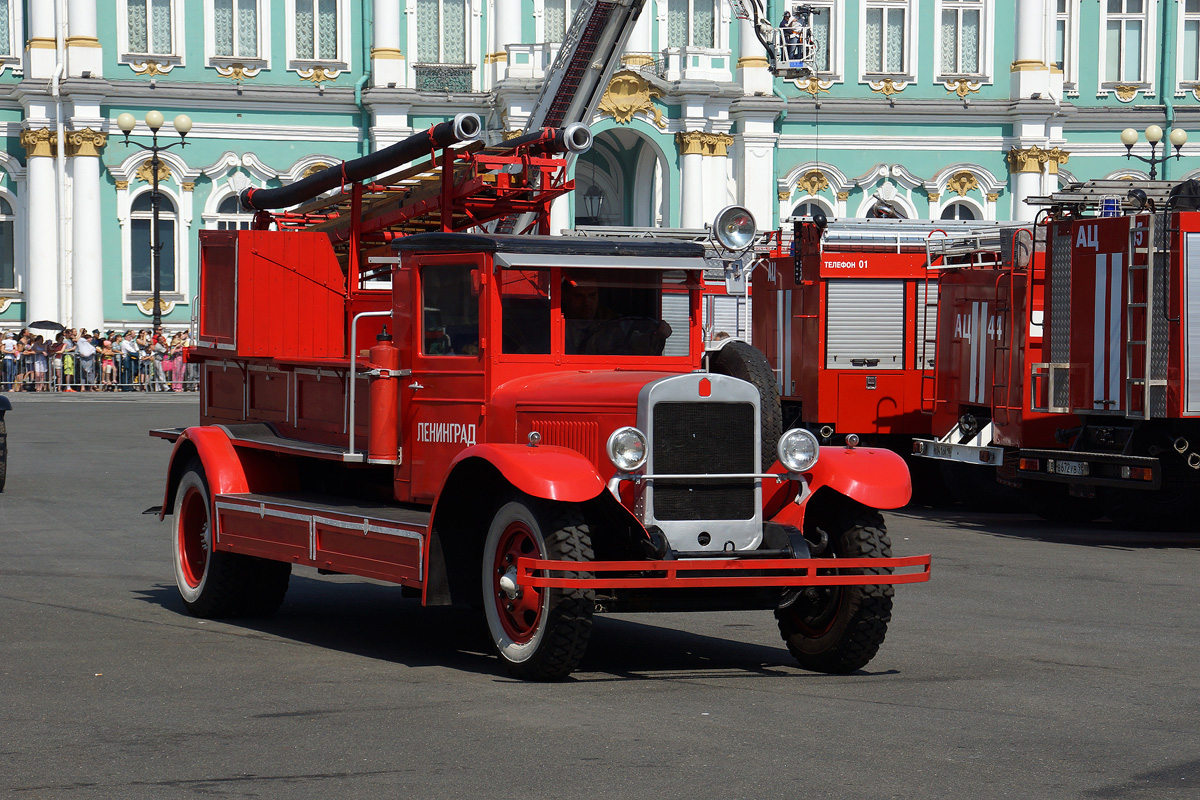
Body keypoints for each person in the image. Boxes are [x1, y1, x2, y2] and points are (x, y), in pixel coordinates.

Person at [562, 277, 672, 356]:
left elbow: (634, 342)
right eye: (579, 296)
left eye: (592, 295)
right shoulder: (553, 323)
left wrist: (657, 335)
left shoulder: (614, 323)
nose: (586, 302)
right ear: (565, 297)